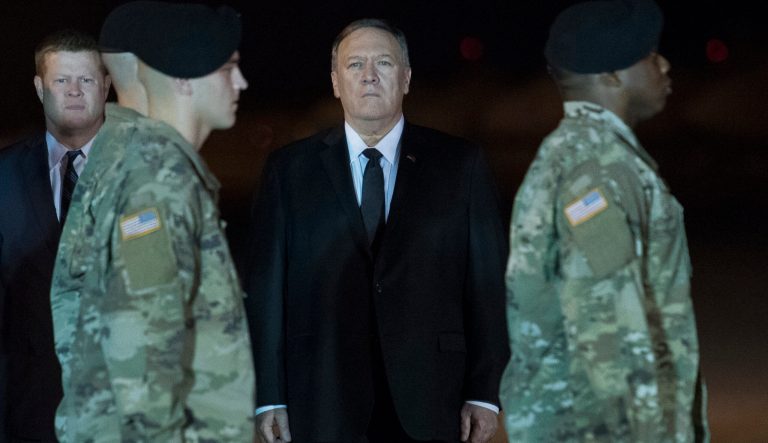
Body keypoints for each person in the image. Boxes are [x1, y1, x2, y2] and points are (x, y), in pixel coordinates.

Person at [245, 18, 509, 443]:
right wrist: (269, 396)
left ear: (406, 78)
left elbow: (487, 286)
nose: (369, 75)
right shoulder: (288, 171)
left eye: (384, 63)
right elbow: (266, 290)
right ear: (335, 82)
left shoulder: (460, 165)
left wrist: (485, 392)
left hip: (433, 397)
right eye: (355, 65)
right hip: (321, 396)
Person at [499, 0, 709, 441]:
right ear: (612, 77)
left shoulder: (587, 155)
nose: (665, 66)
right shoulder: (594, 170)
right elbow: (608, 327)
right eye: (650, 56)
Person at [49, 2, 255, 441]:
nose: (241, 82)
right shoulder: (158, 181)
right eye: (228, 67)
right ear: (184, 79)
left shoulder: (128, 162)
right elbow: (141, 350)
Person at [0, 29, 109, 442]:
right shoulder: (4, 177)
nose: (74, 92)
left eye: (86, 79)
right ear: (39, 88)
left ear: (106, 85)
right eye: (62, 80)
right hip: (29, 413)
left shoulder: (144, 175)